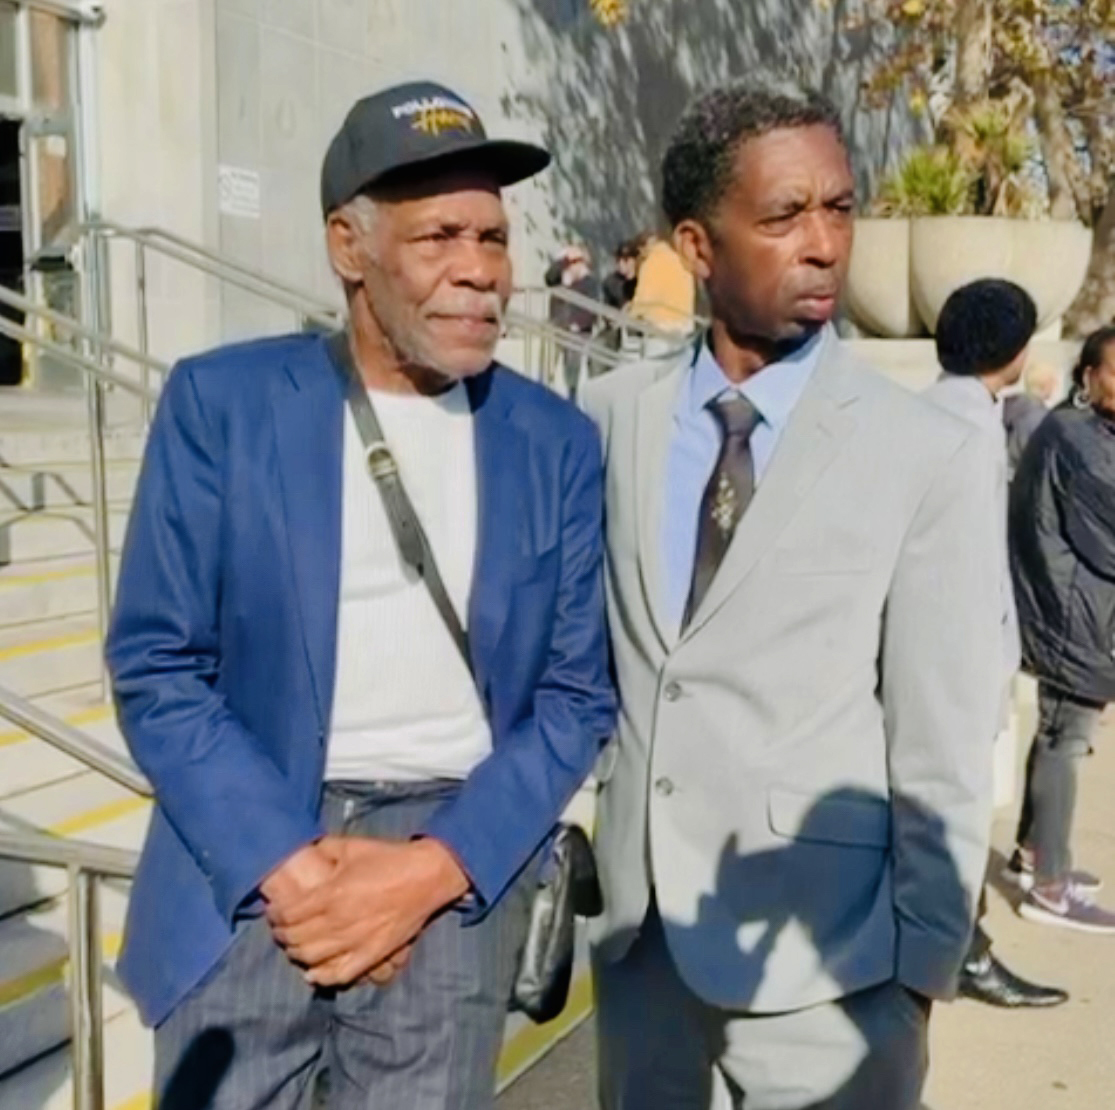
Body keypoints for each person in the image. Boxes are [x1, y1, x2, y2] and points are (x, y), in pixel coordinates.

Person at [106, 81, 615, 1110]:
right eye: (438, 237)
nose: (480, 271)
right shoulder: (224, 404)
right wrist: (289, 872)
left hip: (449, 867)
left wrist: (430, 870)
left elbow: (575, 698)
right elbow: (157, 665)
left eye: (493, 237)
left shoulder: (554, 442)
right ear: (349, 247)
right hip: (248, 865)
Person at [581, 82, 1003, 1110]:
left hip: (835, 969)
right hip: (642, 958)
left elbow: (941, 733)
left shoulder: (923, 451)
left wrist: (920, 971)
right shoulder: (605, 417)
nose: (822, 243)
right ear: (696, 244)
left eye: (839, 208)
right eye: (782, 216)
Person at [926, 279, 1067, 1008]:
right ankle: (961, 957)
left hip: (953, 669)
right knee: (948, 828)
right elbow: (967, 568)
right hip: (949, 676)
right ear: (1013, 351)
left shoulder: (952, 414)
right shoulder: (963, 431)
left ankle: (963, 948)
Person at [1008, 324, 1115, 933]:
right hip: (1072, 611)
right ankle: (1049, 886)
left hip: (1072, 606)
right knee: (1066, 741)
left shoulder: (1086, 433)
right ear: (1088, 378)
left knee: (1056, 735)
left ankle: (1033, 854)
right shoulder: (1081, 443)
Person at [544, 243, 600, 396]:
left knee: (572, 368)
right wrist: (562, 261)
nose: (570, 266)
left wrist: (578, 324)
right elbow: (549, 278)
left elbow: (592, 309)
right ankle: (544, 391)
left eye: (574, 262)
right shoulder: (562, 278)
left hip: (577, 332)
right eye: (569, 262)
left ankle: (572, 396)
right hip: (557, 327)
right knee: (547, 365)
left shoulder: (589, 282)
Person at [628, 231, 697, 340]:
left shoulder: (650, 262)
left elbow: (644, 297)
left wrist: (629, 316)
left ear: (642, 248)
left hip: (661, 324)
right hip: (685, 325)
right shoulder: (680, 259)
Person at [1003, 359, 1059, 480]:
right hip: (1024, 481)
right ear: (1046, 385)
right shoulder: (1040, 418)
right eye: (1053, 382)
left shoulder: (1008, 406)